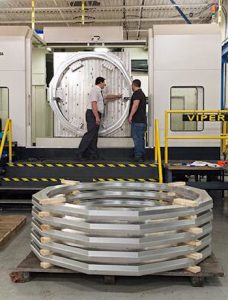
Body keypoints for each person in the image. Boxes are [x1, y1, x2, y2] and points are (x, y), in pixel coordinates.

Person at [78, 77, 121, 160]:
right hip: (93, 114)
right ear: (100, 82)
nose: (105, 84)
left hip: (94, 114)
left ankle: (93, 155)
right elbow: (93, 104)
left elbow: (107, 96)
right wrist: (97, 117)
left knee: (94, 135)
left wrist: (117, 96)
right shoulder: (95, 90)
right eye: (104, 83)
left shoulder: (99, 92)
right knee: (90, 134)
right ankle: (80, 153)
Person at [128, 79, 147, 162]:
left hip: (137, 121)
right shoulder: (142, 94)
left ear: (133, 85)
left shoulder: (137, 94)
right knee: (141, 138)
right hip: (142, 121)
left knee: (137, 138)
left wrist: (130, 116)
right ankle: (142, 155)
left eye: (131, 86)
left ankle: (138, 156)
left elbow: (135, 105)